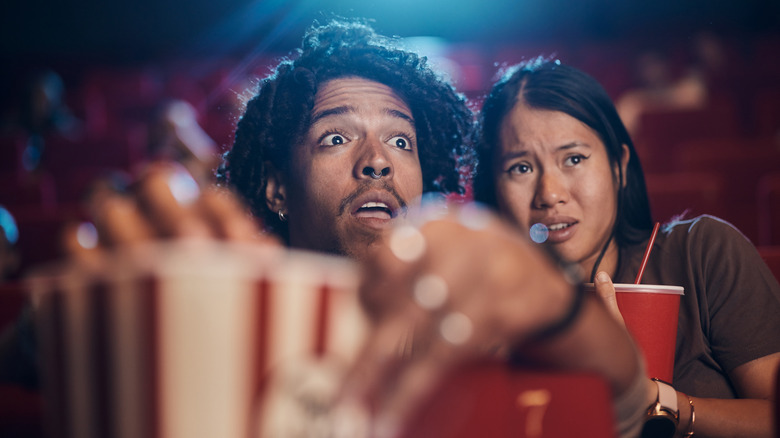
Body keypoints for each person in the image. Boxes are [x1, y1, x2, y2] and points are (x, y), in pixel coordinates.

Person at [49, 20, 653, 437]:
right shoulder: (217, 321)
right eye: (337, 137)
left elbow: (619, 410)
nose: (377, 160)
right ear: (276, 188)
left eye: (400, 140)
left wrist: (554, 305)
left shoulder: (477, 326)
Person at [472, 58, 780, 437]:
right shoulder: (479, 311)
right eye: (520, 168)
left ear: (619, 166)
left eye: (574, 159)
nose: (550, 195)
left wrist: (652, 400)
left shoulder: (704, 253)